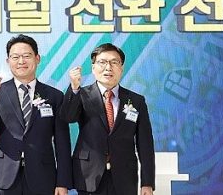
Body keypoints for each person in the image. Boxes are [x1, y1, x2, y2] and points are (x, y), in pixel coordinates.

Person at [0, 35, 72, 195]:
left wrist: (62, 182)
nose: (21, 61)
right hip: (3, 175)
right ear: (8, 61)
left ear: (37, 58)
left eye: (27, 56)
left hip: (42, 176)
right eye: (15, 57)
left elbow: (62, 141)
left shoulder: (54, 96)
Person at [60, 43, 155, 195]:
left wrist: (147, 183)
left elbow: (145, 144)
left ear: (121, 68)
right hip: (89, 175)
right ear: (93, 68)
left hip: (124, 177)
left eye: (114, 62)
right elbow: (68, 117)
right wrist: (74, 87)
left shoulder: (136, 101)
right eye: (102, 62)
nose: (108, 67)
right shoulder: (82, 95)